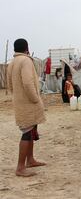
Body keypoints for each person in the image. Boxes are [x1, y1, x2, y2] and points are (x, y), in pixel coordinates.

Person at [7, 38, 46, 177]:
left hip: (20, 102)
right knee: (27, 133)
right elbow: (28, 83)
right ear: (26, 48)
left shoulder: (12, 62)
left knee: (31, 130)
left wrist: (18, 96)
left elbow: (9, 85)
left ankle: (30, 160)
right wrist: (35, 99)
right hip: (29, 103)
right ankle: (20, 167)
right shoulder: (25, 61)